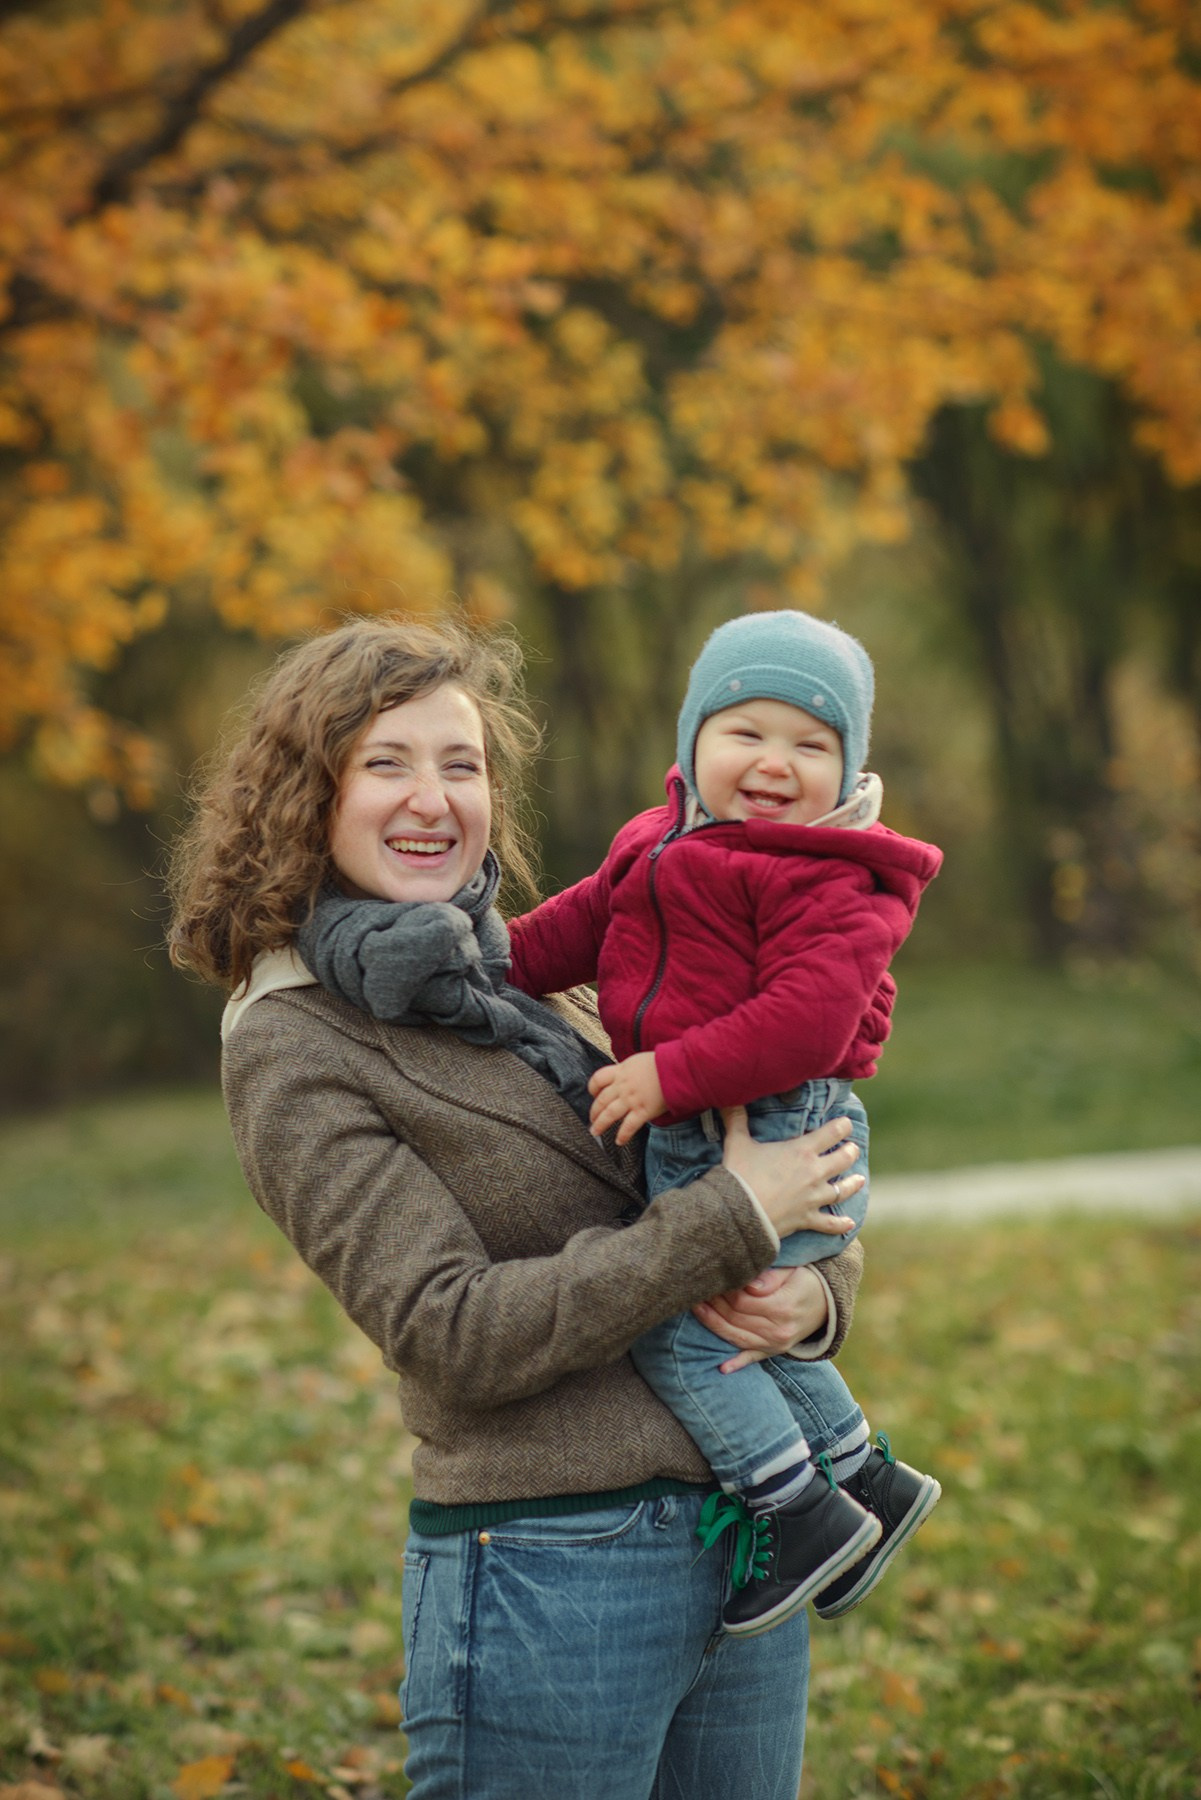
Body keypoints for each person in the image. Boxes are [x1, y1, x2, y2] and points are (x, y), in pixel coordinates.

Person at [169, 614, 872, 1800]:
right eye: (385, 762)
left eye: (462, 764)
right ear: (308, 795)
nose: (431, 797)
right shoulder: (296, 1041)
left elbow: (789, 1139)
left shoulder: (554, 970)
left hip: (752, 1550)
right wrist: (729, 1226)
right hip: (552, 1573)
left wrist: (808, 1297)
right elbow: (452, 1330)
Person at [494, 609, 945, 1637]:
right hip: (706, 1113)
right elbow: (582, 921)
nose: (775, 764)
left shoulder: (836, 877)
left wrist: (668, 1075)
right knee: (752, 1329)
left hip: (779, 1118)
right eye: (747, 732)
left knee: (687, 1335)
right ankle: (865, 1479)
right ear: (694, 737)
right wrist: (490, 962)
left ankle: (795, 1512)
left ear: (850, 767)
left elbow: (807, 1020)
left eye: (812, 744)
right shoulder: (658, 838)